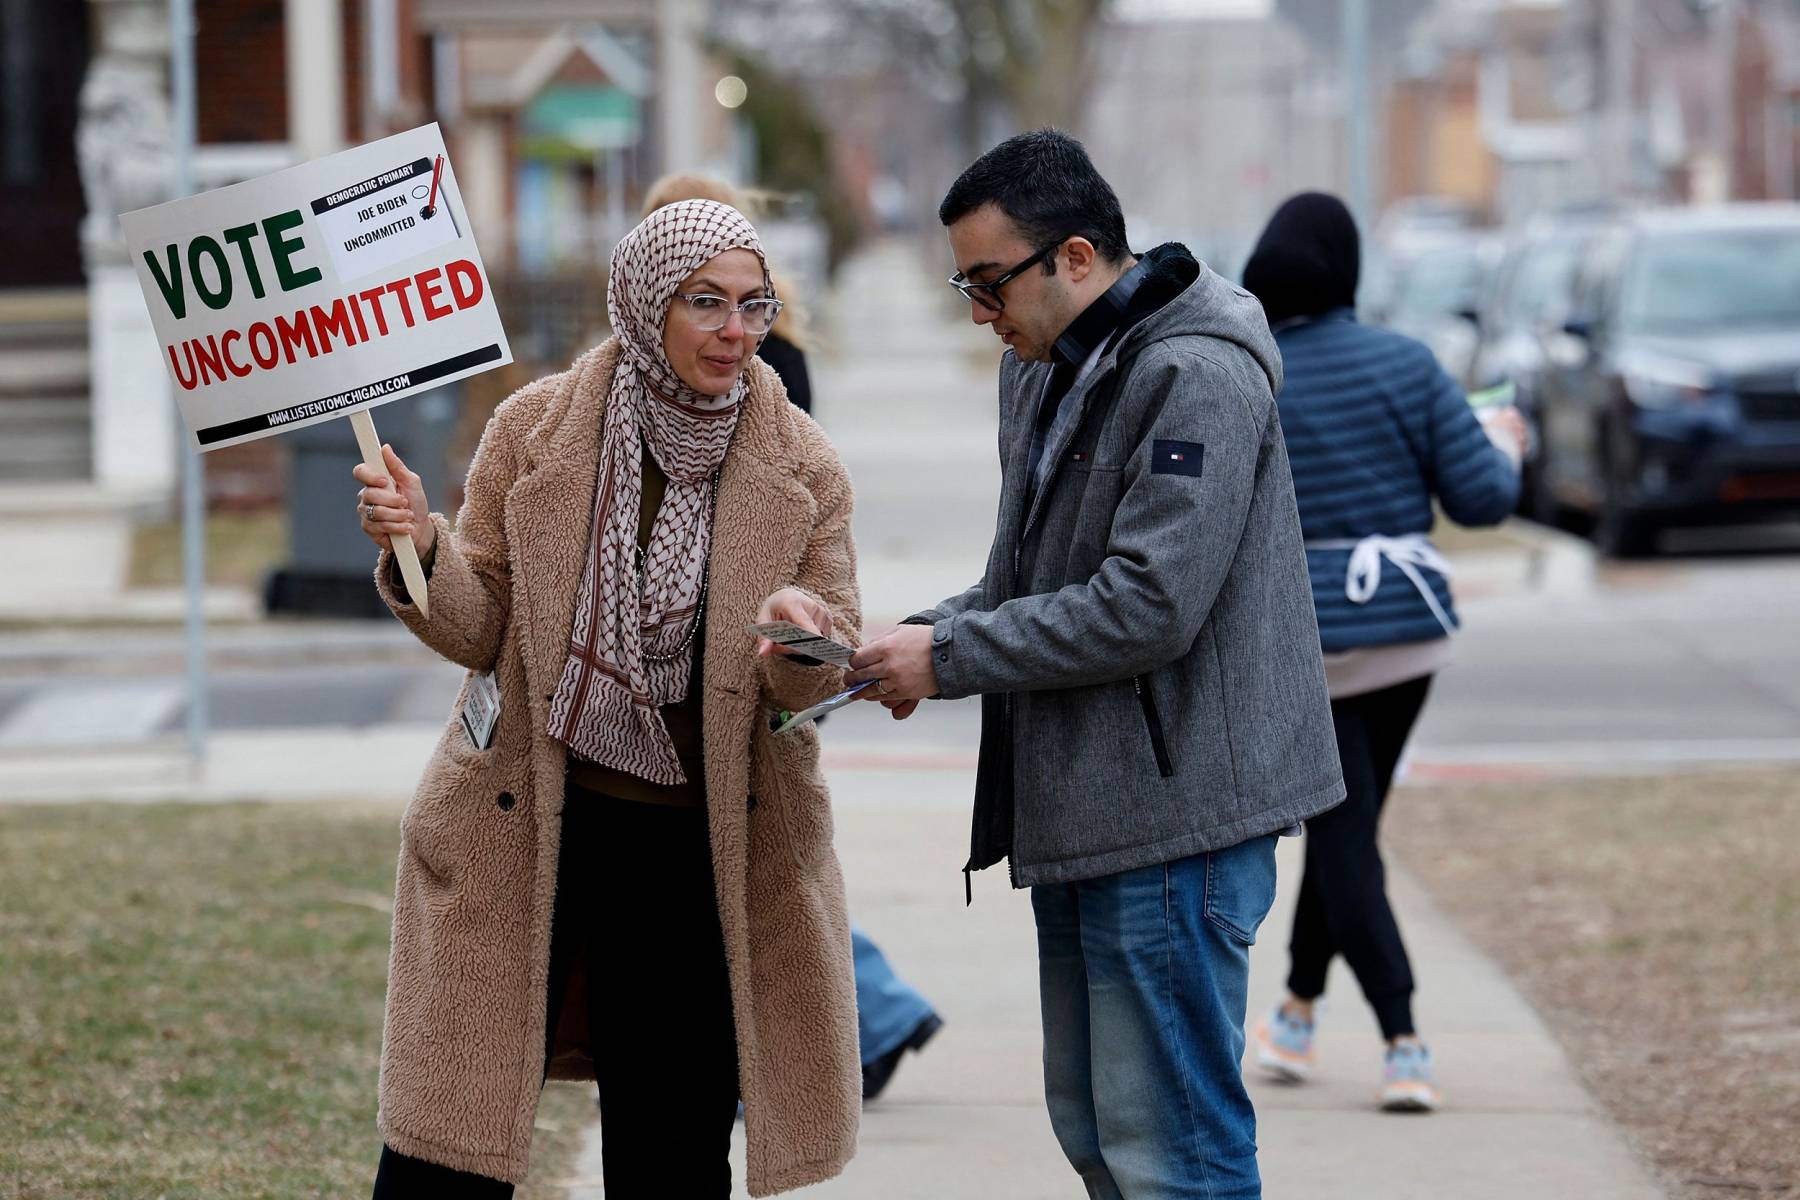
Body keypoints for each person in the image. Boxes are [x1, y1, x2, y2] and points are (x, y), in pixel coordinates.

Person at [846, 130, 1345, 1199]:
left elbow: (1147, 605)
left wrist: (952, 655)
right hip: (1085, 808)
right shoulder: (1045, 371)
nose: (979, 312)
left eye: (990, 283)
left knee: (1176, 1155)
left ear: (1076, 258)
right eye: (964, 285)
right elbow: (1025, 582)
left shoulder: (1197, 375)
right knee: (1100, 1135)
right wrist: (908, 641)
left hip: (1178, 823)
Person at [352, 199, 862, 1198]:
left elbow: (822, 665)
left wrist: (801, 639)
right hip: (528, 824)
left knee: (671, 1155)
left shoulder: (802, 464)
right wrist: (419, 544)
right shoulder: (534, 428)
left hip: (700, 855)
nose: (736, 331)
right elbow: (480, 625)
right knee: (441, 1155)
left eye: (755, 307)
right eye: (705, 303)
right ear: (644, 304)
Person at [643, 174, 945, 1101]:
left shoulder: (771, 373)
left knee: (766, 878)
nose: (729, 328)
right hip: (678, 694)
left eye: (741, 301)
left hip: (756, 659)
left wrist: (794, 617)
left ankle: (873, 1012)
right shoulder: (598, 402)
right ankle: (868, 1014)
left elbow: (797, 508)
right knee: (755, 879)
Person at [1240, 192, 1526, 1113]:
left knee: (1343, 830)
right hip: (1406, 641)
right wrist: (1504, 445)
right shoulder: (1410, 365)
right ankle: (1297, 1008)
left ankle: (1402, 1038)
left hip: (1299, 642)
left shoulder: (1253, 371)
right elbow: (1482, 502)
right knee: (1348, 828)